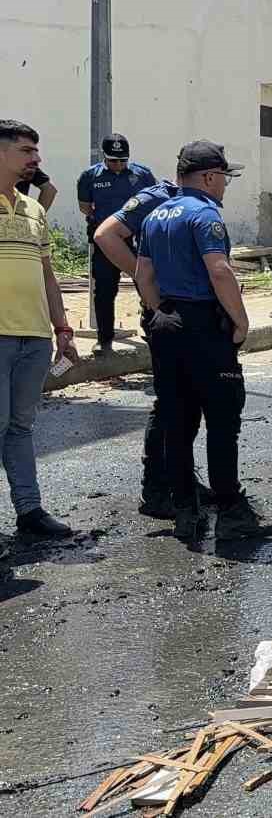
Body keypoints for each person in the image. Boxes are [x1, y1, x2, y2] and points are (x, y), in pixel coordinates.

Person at [136, 141, 272, 544]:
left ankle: (186, 513)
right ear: (208, 177)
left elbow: (143, 275)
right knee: (221, 422)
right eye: (224, 178)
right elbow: (219, 271)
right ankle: (232, 513)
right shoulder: (204, 215)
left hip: (166, 325)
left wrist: (162, 311)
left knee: (177, 423)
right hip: (204, 326)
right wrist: (241, 321)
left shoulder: (154, 216)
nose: (224, 186)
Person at [93, 174, 218, 519]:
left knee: (188, 401)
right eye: (220, 175)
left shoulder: (198, 205)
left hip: (188, 314)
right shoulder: (159, 198)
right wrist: (144, 275)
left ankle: (181, 480)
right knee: (170, 404)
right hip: (164, 312)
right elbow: (105, 234)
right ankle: (157, 489)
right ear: (205, 175)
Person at [0, 121, 79, 538]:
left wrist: (62, 327)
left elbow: (48, 274)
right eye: (27, 151)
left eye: (36, 151)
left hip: (34, 337)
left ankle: (30, 511)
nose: (36, 159)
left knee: (20, 427)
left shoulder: (35, 210)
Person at [77, 134, 158, 355]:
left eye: (123, 160)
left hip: (139, 239)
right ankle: (104, 339)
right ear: (104, 157)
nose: (119, 165)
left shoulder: (142, 174)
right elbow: (85, 206)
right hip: (107, 242)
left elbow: (155, 201)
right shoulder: (90, 176)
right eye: (113, 160)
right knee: (105, 290)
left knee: (147, 284)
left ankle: (154, 332)